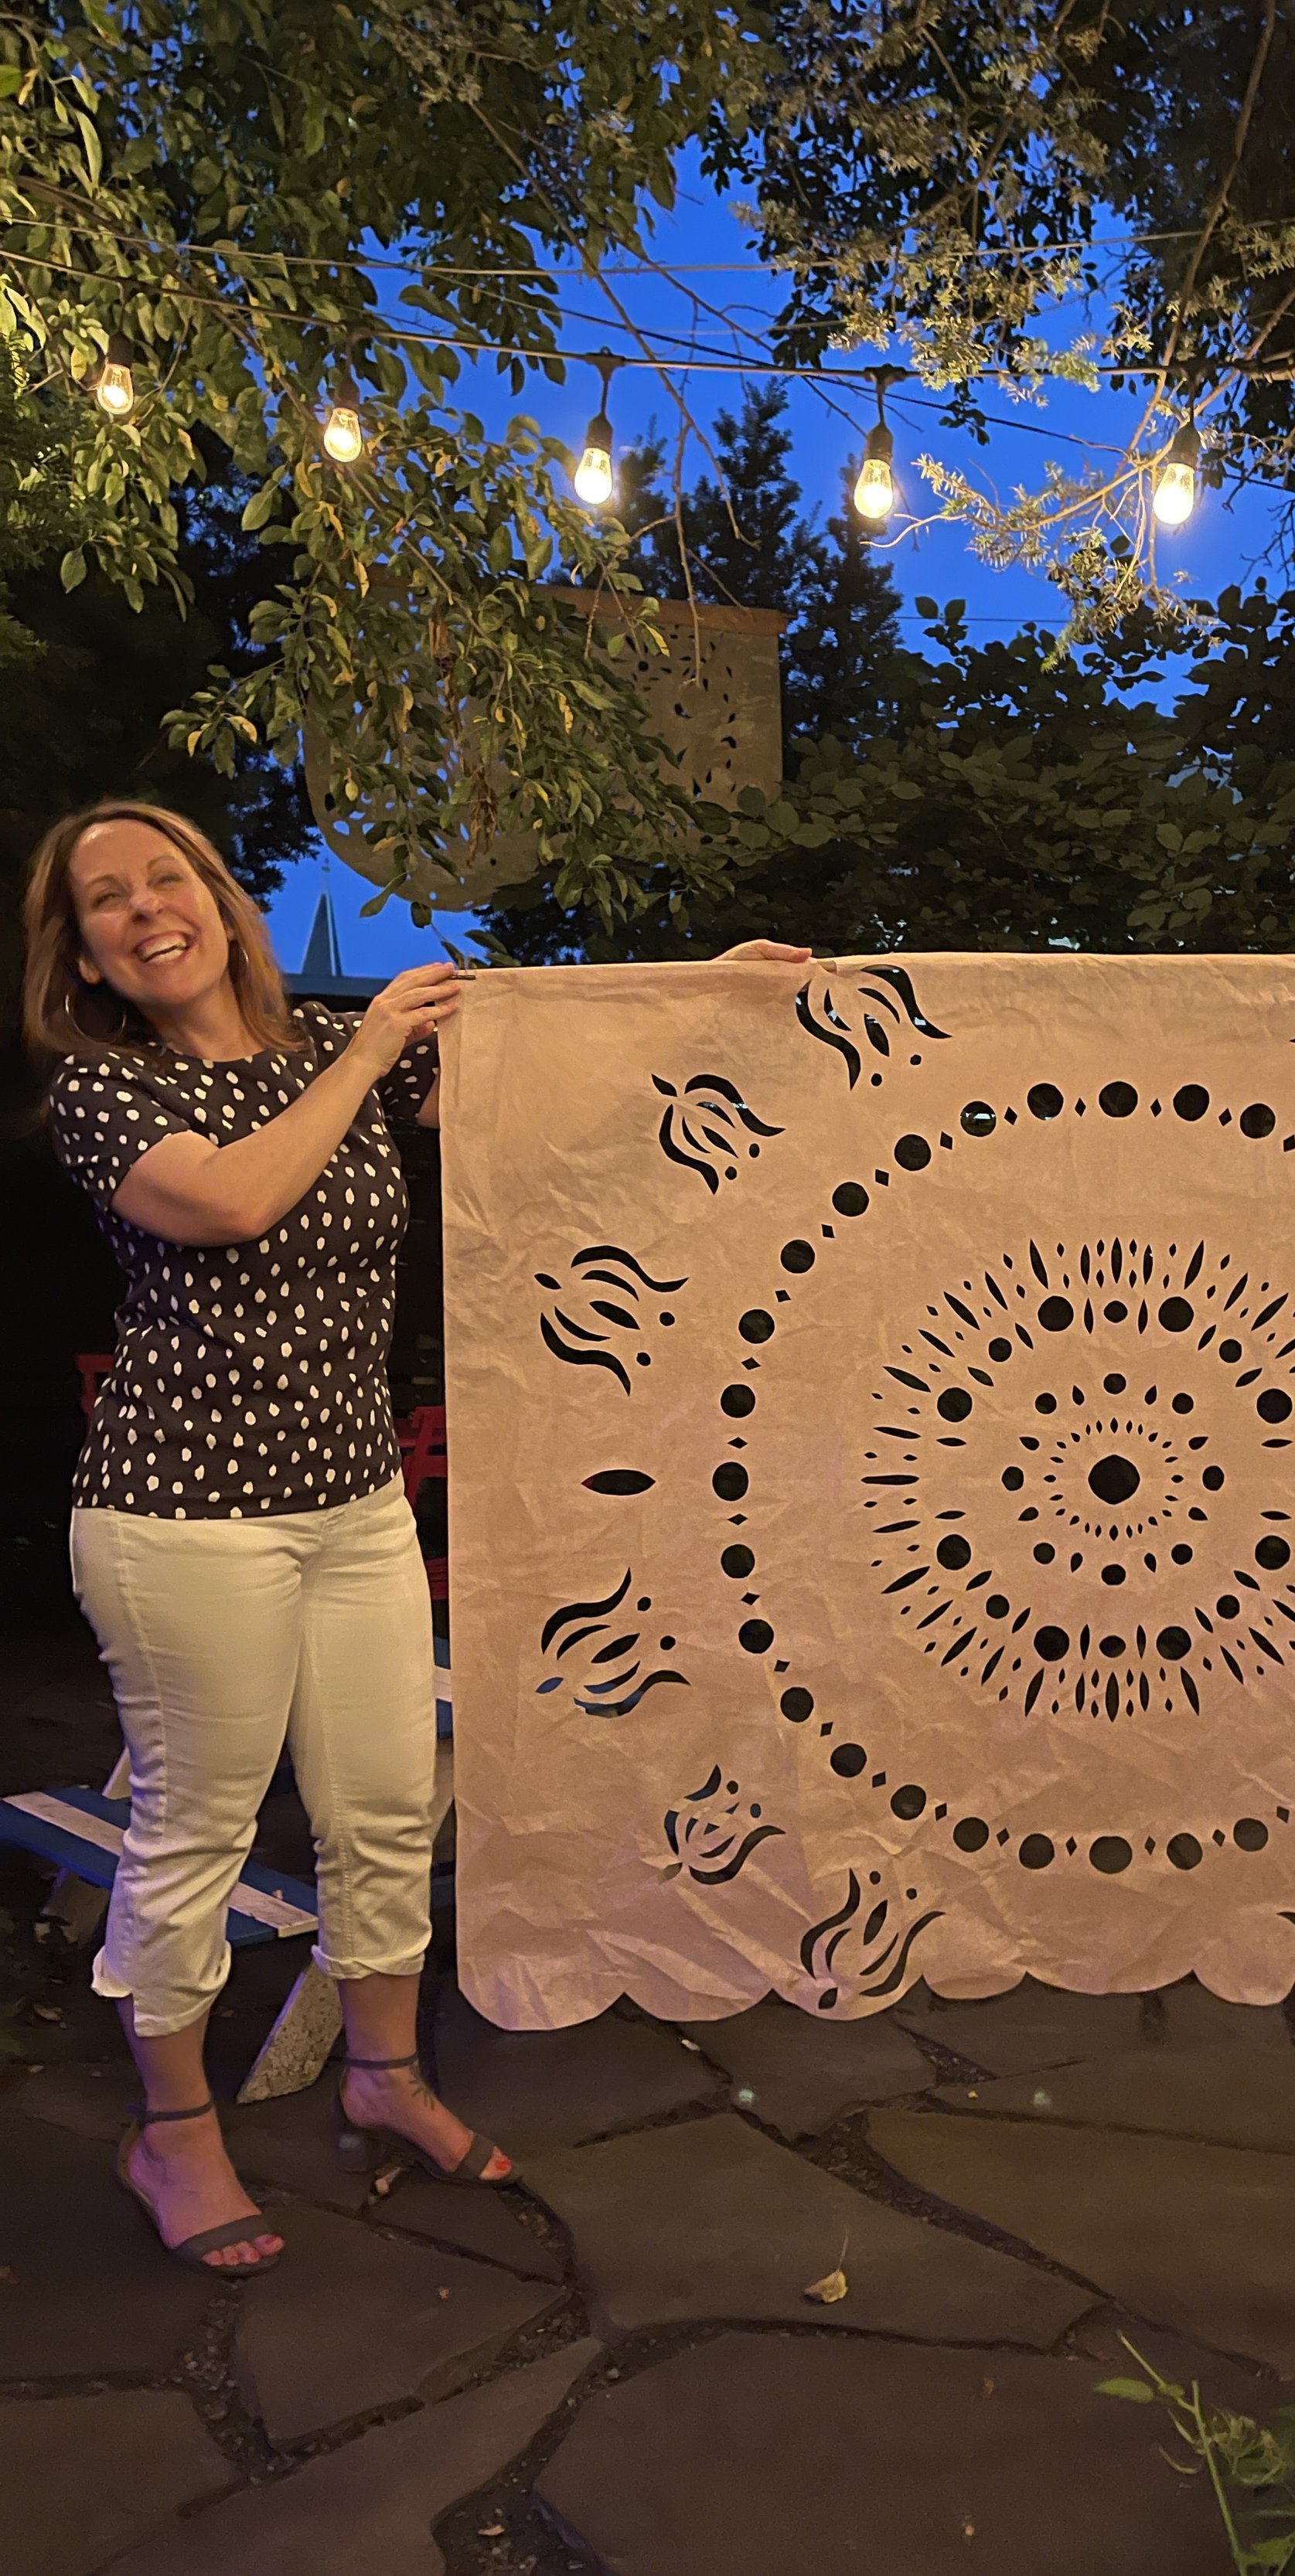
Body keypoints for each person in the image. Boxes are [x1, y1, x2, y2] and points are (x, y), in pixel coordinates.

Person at [20, 800, 808, 2273]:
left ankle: (382, 2077)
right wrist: (373, 1050)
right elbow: (235, 1199)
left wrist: (715, 991)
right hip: (185, 1520)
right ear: (86, 956)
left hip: (350, 1505)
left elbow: (544, 1090)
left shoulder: (333, 1055)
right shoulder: (103, 1096)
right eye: (105, 901)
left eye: (165, 877)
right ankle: (170, 2133)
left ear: (219, 898)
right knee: (197, 1827)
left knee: (384, 1807)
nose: (145, 908)